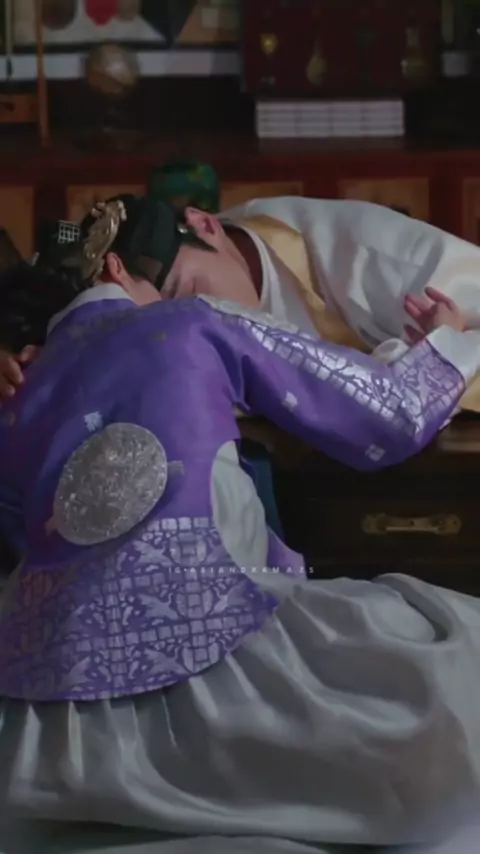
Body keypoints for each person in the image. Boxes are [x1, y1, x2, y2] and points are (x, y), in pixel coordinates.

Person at [0, 197, 480, 854]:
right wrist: (447, 339)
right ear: (113, 267)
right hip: (225, 686)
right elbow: (391, 415)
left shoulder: (21, 389)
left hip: (42, 735)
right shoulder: (193, 323)